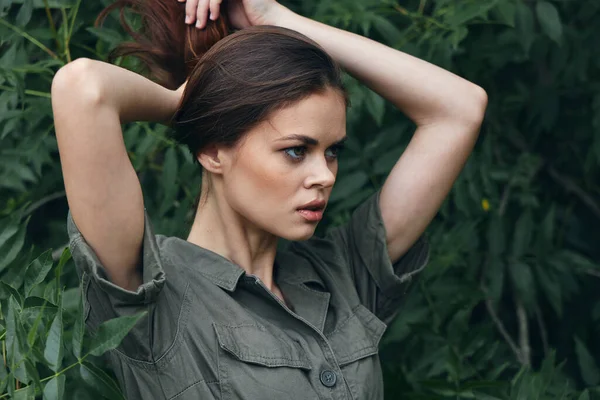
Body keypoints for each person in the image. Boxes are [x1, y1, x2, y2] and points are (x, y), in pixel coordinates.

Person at [50, 0, 487, 398]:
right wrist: (193, 103)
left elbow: (460, 108)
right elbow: (83, 88)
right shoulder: (150, 301)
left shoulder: (344, 275)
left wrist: (279, 20)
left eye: (332, 151)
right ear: (214, 151)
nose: (324, 176)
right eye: (296, 150)